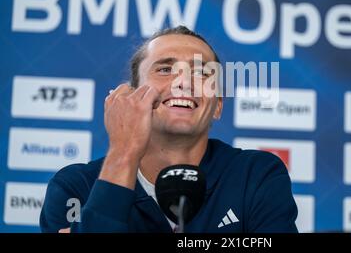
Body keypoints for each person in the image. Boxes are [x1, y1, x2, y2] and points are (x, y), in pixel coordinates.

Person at [40, 26, 298, 233]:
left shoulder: (257, 175)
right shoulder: (74, 187)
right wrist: (123, 153)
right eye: (165, 69)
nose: (184, 82)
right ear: (132, 97)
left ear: (217, 106)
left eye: (201, 72)